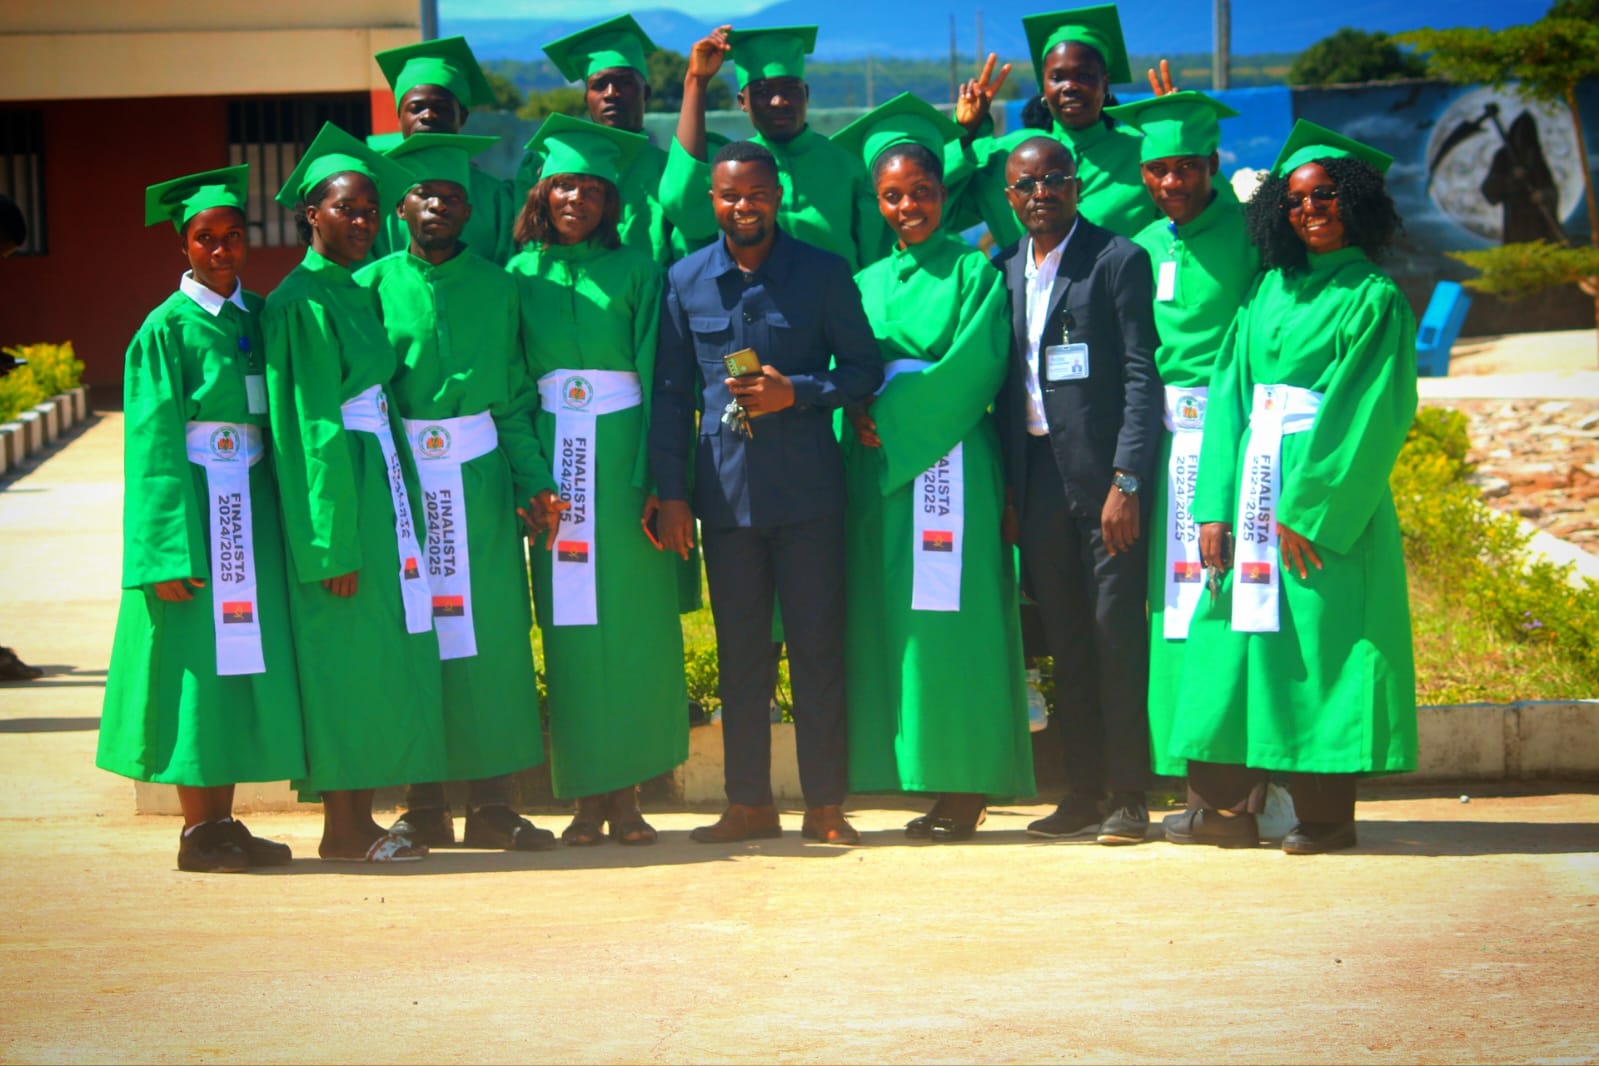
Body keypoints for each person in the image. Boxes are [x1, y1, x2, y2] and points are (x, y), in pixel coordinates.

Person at [1163, 121, 1418, 854]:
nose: (1311, 209)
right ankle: (1224, 812)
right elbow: (1228, 395)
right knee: (1230, 641)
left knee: (1318, 645)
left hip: (1318, 498)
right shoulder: (1266, 289)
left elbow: (1370, 411)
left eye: (1326, 195)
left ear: (1356, 202)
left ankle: (1326, 818)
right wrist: (1213, 506)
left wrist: (1309, 508)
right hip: (1250, 485)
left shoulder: (1373, 297)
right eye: (1297, 199)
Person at [650, 140, 883, 845]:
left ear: (777, 196)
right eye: (730, 195)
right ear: (712, 201)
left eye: (756, 194)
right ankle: (748, 803)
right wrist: (672, 493)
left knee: (816, 649)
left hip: (809, 496)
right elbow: (671, 393)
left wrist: (798, 391)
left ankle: (825, 805)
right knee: (741, 655)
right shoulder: (685, 279)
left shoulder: (822, 272)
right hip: (726, 499)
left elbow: (864, 369)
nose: (743, 206)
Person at [832, 94, 1034, 840]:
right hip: (879, 474)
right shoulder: (863, 282)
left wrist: (889, 421)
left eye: (921, 191)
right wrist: (853, 411)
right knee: (894, 622)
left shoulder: (974, 272)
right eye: (893, 196)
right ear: (877, 202)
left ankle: (966, 782)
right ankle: (912, 770)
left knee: (954, 617)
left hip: (948, 462)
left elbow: (977, 366)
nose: (908, 206)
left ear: (943, 194)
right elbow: (847, 367)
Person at [96, 165, 306, 872]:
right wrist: (163, 553)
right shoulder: (165, 330)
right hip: (197, 518)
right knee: (197, 667)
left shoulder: (262, 317)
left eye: (233, 236)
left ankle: (225, 822)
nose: (221, 250)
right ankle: (197, 830)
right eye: (205, 238)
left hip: (254, 511)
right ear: (182, 245)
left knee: (239, 665)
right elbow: (152, 447)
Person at [359, 133, 559, 852]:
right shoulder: (371, 286)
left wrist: (536, 482)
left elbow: (514, 396)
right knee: (419, 634)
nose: (437, 206)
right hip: (403, 483)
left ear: (470, 209)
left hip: (479, 484)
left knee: (492, 639)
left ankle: (494, 804)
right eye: (424, 194)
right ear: (401, 208)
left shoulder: (500, 287)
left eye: (450, 196)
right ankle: (422, 804)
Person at [264, 123, 447, 863]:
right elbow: (309, 429)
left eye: (371, 209)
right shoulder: (299, 301)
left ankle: (363, 820)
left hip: (379, 480)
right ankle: (341, 828)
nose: (364, 221)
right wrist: (330, 544)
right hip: (341, 497)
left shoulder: (353, 289)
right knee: (341, 657)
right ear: (312, 214)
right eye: (347, 208)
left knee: (377, 654)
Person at [508, 115, 689, 846]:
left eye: (589, 187)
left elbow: (662, 384)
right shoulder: (517, 278)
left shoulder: (640, 272)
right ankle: (586, 798)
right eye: (562, 186)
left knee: (635, 635)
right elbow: (512, 387)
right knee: (571, 634)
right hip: (555, 469)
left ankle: (630, 799)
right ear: (541, 195)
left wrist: (656, 481)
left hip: (622, 473)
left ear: (610, 199)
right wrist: (530, 478)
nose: (574, 199)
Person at [993, 137, 1160, 845]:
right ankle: (1083, 793)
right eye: (1027, 185)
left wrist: (1128, 479)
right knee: (1065, 641)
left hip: (1105, 486)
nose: (1041, 193)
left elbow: (1141, 375)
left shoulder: (1117, 259)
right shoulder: (1002, 269)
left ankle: (1129, 796)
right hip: (1036, 485)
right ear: (1009, 196)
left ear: (1076, 183)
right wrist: (1009, 493)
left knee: (1114, 637)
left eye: (1054, 179)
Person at [1099, 92, 1260, 783]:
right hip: (1161, 448)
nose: (1172, 181)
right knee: (1170, 601)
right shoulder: (1140, 245)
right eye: (1158, 169)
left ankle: (1249, 771)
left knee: (1230, 597)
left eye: (1186, 166)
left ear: (1213, 164)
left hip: (1234, 441)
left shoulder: (1254, 237)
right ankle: (1180, 766)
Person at [663, 25, 889, 271]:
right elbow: (685, 209)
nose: (779, 101)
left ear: (806, 94)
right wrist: (696, 81)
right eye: (762, 91)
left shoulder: (848, 166)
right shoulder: (735, 169)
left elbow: (876, 261)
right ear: (742, 102)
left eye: (790, 88)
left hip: (836, 293)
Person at [946, 5, 1158, 246]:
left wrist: (1177, 131)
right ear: (1043, 87)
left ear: (1105, 83)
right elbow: (940, 214)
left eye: (1084, 76)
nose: (1070, 87)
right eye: (1057, 78)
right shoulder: (1004, 156)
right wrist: (965, 132)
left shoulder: (1143, 155)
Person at [516, 15, 716, 266]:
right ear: (586, 98)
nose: (611, 93)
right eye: (599, 85)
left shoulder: (670, 172)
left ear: (646, 93)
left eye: (624, 82)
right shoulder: (548, 169)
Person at [370, 36, 515, 265]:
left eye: (441, 108)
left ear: (463, 116)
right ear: (399, 117)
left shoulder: (495, 196)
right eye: (416, 108)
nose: (428, 115)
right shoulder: (376, 194)